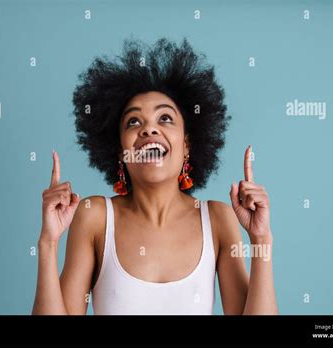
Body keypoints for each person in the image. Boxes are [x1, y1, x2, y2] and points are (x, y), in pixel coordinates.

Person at [32, 38, 278, 315]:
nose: (149, 129)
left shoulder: (217, 219)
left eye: (165, 119)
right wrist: (48, 243)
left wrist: (261, 240)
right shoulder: (95, 217)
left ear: (186, 144)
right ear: (120, 151)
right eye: (133, 121)